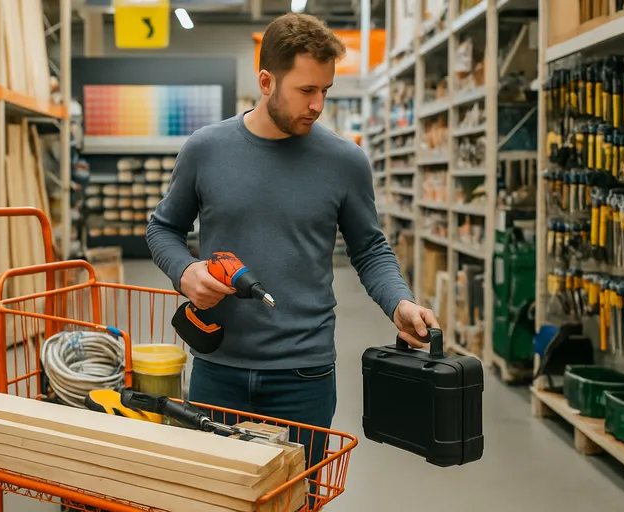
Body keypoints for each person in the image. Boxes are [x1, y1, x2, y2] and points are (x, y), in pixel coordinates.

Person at [146, 12, 440, 472]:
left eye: (325, 90)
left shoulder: (345, 161)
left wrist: (399, 302)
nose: (318, 104)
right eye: (306, 90)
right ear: (266, 82)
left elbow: (369, 248)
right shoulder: (205, 149)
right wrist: (185, 272)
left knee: (299, 497)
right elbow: (163, 228)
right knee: (218, 496)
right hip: (217, 366)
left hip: (304, 374)